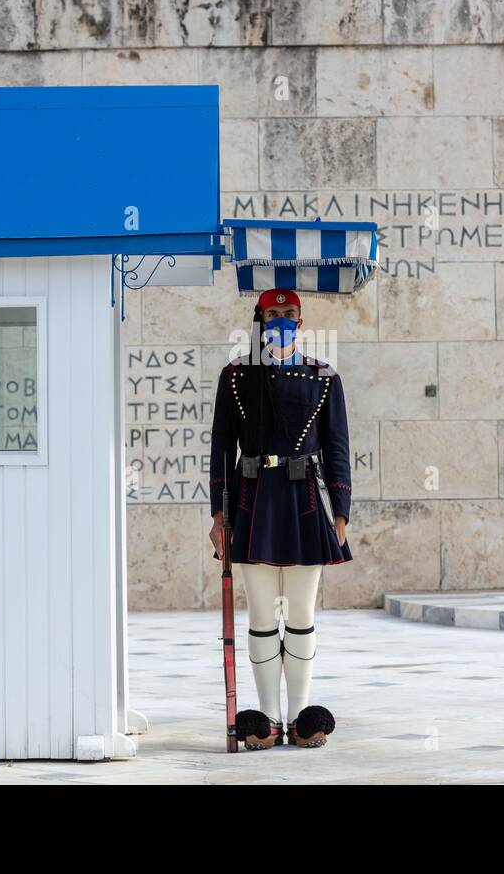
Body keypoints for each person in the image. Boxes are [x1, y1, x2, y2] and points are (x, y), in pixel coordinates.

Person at [208, 287, 353, 749]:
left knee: (302, 613)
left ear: (302, 322)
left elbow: (336, 449)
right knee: (263, 613)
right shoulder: (236, 376)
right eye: (274, 313)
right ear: (260, 318)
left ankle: (300, 714)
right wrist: (218, 514)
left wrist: (342, 512)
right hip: (252, 501)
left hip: (305, 502)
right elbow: (220, 450)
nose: (283, 320)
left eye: (291, 314)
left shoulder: (323, 377)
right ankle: (267, 716)